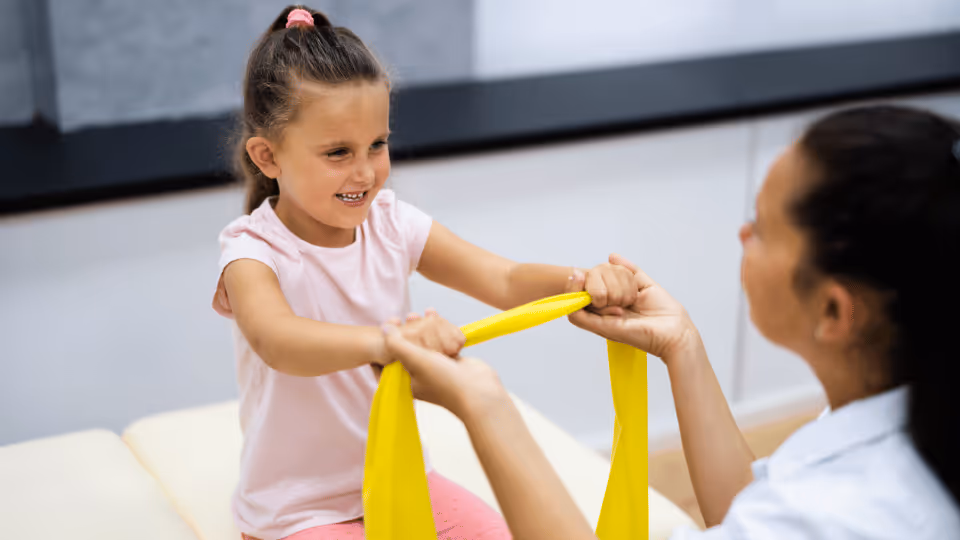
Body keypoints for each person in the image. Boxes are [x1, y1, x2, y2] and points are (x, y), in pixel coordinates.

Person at [382, 105, 960, 539]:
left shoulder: (839, 513)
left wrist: (485, 407)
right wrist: (682, 346)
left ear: (834, 311)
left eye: (759, 227)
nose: (740, 235)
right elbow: (748, 507)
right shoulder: (906, 415)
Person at [211, 5, 635, 540]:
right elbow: (278, 340)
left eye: (377, 145)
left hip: (400, 474)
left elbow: (502, 280)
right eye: (338, 152)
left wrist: (580, 281)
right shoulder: (251, 249)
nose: (365, 172)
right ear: (267, 156)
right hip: (297, 512)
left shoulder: (392, 223)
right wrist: (390, 342)